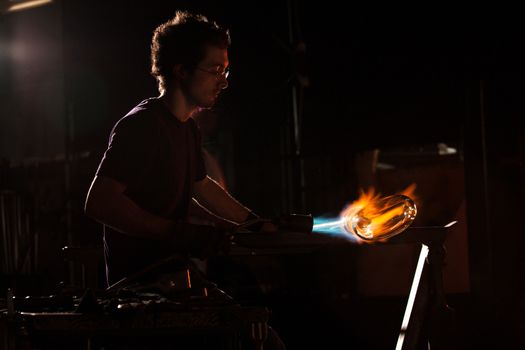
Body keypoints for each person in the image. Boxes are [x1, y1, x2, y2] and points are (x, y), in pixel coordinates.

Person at [84, 10, 285, 349]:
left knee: (261, 338)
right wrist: (175, 232)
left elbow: (201, 187)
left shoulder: (187, 129)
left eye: (225, 70)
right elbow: (100, 202)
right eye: (214, 70)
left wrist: (252, 224)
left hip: (175, 278)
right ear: (180, 69)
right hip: (139, 290)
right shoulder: (142, 126)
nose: (223, 81)